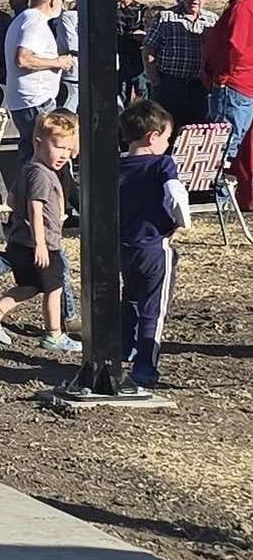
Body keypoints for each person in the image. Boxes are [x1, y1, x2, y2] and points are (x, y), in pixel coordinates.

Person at [0, 111, 81, 358]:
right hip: (40, 244)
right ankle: (54, 334)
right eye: (58, 147)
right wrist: (40, 242)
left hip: (22, 239)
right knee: (54, 287)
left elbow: (10, 199)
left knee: (31, 285)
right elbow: (35, 206)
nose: (63, 154)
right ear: (38, 143)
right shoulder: (42, 173)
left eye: (68, 149)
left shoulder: (29, 169)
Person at [118, 98, 190, 389]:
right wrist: (183, 223)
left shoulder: (116, 166)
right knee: (154, 309)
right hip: (154, 247)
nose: (168, 145)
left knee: (130, 299)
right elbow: (175, 194)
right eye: (168, 138)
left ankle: (124, 351)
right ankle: (145, 368)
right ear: (153, 136)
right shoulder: (162, 163)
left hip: (123, 247)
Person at [3, 0, 73, 159]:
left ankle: (26, 186)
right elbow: (23, 59)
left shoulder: (23, 19)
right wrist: (58, 62)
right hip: (35, 101)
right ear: (53, 1)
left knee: (30, 151)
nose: (62, 6)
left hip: (25, 100)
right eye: (61, 1)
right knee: (42, 154)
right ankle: (37, 186)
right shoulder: (35, 23)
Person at [142, 0, 216, 131]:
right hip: (170, 85)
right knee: (165, 130)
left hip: (199, 88)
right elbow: (148, 50)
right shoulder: (165, 17)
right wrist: (156, 82)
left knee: (195, 131)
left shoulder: (213, 20)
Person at [203, 0, 253, 164]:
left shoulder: (242, 7)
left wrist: (221, 77)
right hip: (244, 84)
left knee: (224, 141)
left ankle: (220, 193)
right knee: (235, 138)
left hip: (232, 85)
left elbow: (236, 45)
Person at [116, 0, 147, 102]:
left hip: (138, 61)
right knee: (119, 95)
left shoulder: (142, 10)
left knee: (142, 93)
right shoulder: (108, 10)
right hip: (118, 60)